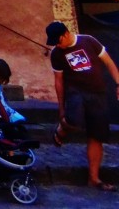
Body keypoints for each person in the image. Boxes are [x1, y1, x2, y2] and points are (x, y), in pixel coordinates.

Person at [46, 20, 119, 193]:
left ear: (65, 34)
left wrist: (118, 84)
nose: (57, 45)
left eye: (58, 40)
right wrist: (61, 109)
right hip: (75, 92)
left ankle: (93, 178)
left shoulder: (89, 41)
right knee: (73, 118)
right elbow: (59, 82)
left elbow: (109, 62)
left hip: (98, 94)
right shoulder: (57, 54)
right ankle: (62, 129)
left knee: (97, 136)